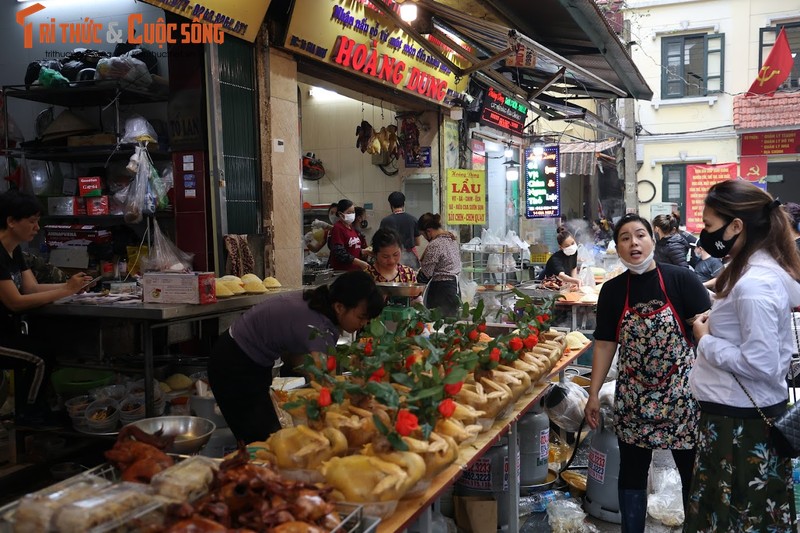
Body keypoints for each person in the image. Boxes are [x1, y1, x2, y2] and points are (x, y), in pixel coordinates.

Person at [685, 181, 800, 532]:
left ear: (736, 226)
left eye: (707, 225)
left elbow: (762, 364)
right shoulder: (748, 270)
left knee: (737, 518)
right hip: (734, 417)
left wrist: (705, 340)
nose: (703, 235)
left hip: (741, 427)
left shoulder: (755, 284)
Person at [584, 213, 711, 533]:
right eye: (625, 238)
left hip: (680, 396)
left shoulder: (682, 280)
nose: (633, 243)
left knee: (691, 471)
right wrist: (592, 394)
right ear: (618, 247)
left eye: (640, 235)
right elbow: (604, 344)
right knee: (632, 473)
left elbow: (708, 329)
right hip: (634, 397)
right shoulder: (613, 291)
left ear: (653, 240)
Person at [208, 271, 384, 443]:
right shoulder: (318, 327)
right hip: (234, 363)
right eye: (361, 317)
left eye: (368, 319)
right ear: (339, 307)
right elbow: (324, 383)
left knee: (267, 434)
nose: (364, 324)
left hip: (246, 359)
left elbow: (301, 360)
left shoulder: (318, 303)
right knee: (266, 440)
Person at [0, 190, 92, 425]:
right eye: (31, 221)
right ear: (11, 222)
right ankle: (29, 414)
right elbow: (15, 302)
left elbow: (30, 288)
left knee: (45, 350)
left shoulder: (13, 250)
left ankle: (32, 411)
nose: (37, 228)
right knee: (40, 357)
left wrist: (72, 285)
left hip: (7, 331)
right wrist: (66, 291)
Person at [417, 213, 461, 317]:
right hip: (454, 287)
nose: (425, 238)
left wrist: (414, 283)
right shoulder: (451, 239)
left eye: (423, 235)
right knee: (449, 324)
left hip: (442, 290)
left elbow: (426, 274)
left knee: (438, 323)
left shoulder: (435, 244)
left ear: (429, 231)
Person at [380, 191, 421, 268]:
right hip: (410, 258)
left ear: (391, 205)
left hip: (392, 258)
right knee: (410, 277)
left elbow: (382, 242)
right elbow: (418, 242)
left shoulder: (386, 221)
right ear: (403, 204)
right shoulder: (413, 219)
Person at [328, 199, 370, 271]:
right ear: (341, 214)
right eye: (349, 212)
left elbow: (352, 248)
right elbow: (340, 253)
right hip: (343, 271)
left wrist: (363, 251)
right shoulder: (338, 228)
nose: (352, 215)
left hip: (354, 270)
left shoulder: (350, 227)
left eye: (353, 212)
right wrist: (359, 262)